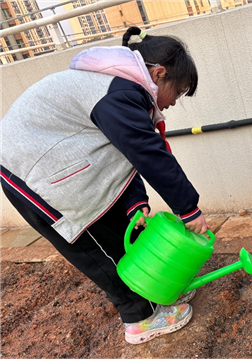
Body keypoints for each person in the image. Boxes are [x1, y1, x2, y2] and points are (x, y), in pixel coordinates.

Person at [0, 27, 209, 344]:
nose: (173, 103)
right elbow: (145, 152)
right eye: (177, 92)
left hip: (64, 167)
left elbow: (124, 151)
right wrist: (189, 209)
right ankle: (141, 318)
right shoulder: (117, 93)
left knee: (129, 228)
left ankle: (159, 287)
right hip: (34, 179)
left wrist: (134, 202)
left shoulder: (120, 89)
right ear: (159, 72)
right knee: (99, 249)